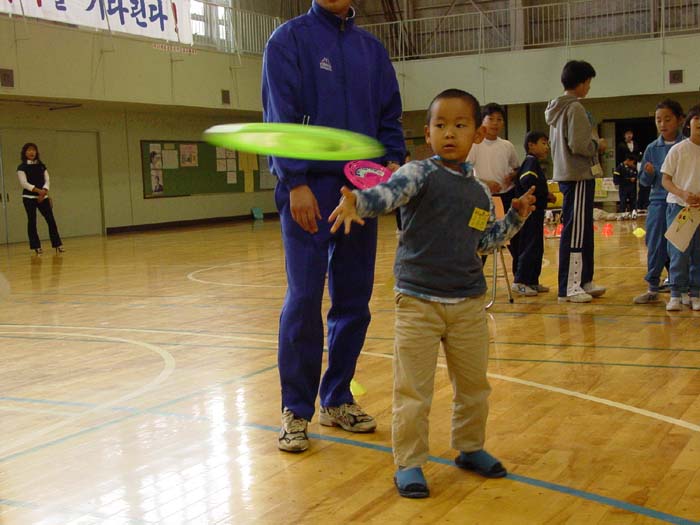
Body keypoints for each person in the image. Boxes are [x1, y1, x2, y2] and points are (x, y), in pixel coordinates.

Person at [328, 89, 536, 498]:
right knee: (413, 391)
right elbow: (387, 194)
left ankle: (470, 448)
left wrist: (515, 217)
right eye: (441, 125)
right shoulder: (417, 174)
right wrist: (360, 203)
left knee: (474, 387)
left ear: (477, 134)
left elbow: (485, 242)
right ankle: (409, 463)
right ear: (428, 133)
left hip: (468, 304)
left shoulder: (479, 192)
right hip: (418, 302)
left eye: (460, 125)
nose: (450, 133)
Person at [261, 0, 405, 452]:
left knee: (354, 299)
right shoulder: (288, 40)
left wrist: (390, 167)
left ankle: (337, 396)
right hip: (309, 188)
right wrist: (296, 181)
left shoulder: (372, 50)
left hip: (360, 189)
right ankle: (295, 409)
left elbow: (389, 116)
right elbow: (280, 117)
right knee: (304, 298)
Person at [545, 60, 607, 303]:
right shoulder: (575, 108)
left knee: (582, 229)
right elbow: (579, 145)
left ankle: (584, 280)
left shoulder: (557, 109)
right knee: (576, 232)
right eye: (588, 82)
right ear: (581, 83)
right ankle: (569, 287)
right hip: (578, 176)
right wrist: (598, 145)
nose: (589, 87)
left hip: (568, 175)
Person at [633, 99, 685, 304]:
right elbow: (644, 182)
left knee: (682, 246)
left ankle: (683, 288)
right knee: (655, 243)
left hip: (681, 202)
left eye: (667, 119)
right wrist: (648, 173)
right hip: (658, 202)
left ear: (680, 120)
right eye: (658, 120)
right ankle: (653, 287)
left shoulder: (687, 146)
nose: (662, 124)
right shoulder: (652, 148)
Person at [467, 102, 521, 273]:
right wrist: (486, 183)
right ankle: (473, 278)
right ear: (482, 121)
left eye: (499, 119)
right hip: (482, 199)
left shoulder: (507, 146)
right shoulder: (475, 145)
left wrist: (511, 176)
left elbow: (517, 168)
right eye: (491, 119)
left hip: (505, 197)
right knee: (478, 239)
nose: (495, 123)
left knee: (513, 238)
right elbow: (465, 172)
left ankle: (519, 279)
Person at [661, 105, 700, 312]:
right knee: (678, 252)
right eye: (697, 120)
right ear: (689, 124)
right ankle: (676, 293)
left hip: (699, 209)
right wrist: (682, 194)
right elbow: (665, 180)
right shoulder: (678, 149)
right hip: (679, 207)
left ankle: (695, 293)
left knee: (698, 253)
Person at [513, 131, 556, 296]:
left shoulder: (535, 163)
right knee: (529, 246)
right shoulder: (530, 162)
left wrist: (546, 195)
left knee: (537, 247)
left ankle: (532, 281)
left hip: (537, 212)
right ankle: (520, 282)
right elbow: (526, 181)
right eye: (543, 143)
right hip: (529, 212)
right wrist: (542, 194)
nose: (547, 147)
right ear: (531, 145)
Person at [17, 143, 64, 255]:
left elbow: (47, 180)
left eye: (33, 150)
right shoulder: (22, 167)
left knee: (51, 220)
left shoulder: (42, 166)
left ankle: (57, 244)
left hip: (43, 197)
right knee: (32, 221)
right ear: (25, 152)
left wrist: (44, 192)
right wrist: (38, 191)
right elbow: (24, 183)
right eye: (29, 150)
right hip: (29, 197)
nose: (31, 152)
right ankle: (36, 246)